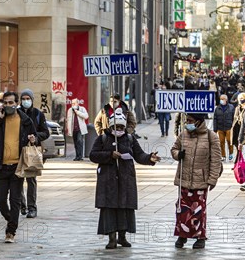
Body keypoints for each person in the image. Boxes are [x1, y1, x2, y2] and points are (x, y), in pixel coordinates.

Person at [89, 110, 160, 249]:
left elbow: (139, 155)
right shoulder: (103, 138)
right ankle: (111, 238)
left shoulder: (130, 138)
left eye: (122, 127)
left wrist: (149, 158)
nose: (119, 130)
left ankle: (122, 236)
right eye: (117, 127)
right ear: (111, 127)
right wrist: (110, 155)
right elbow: (93, 155)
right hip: (108, 180)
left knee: (124, 207)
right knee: (109, 208)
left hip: (125, 179)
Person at [0, 91, 37, 243]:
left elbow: (35, 136)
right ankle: (11, 220)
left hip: (17, 167)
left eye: (11, 103)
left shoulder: (24, 119)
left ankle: (11, 232)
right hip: (1, 166)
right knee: (0, 200)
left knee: (15, 200)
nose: (8, 105)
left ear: (16, 103)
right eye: (5, 103)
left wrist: (34, 138)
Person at [171, 113, 222, 249]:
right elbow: (174, 149)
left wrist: (212, 179)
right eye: (187, 120)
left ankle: (200, 237)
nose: (188, 123)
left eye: (191, 121)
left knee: (198, 210)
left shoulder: (211, 137)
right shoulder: (184, 135)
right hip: (184, 179)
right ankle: (182, 235)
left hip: (201, 180)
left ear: (199, 122)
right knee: (182, 210)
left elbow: (216, 160)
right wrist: (177, 154)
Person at [18, 89, 49, 219]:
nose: (26, 101)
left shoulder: (37, 114)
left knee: (31, 179)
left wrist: (35, 137)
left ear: (31, 99)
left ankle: (32, 207)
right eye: (23, 99)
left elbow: (45, 132)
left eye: (28, 98)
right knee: (17, 179)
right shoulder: (16, 113)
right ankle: (22, 205)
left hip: (31, 150)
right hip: (18, 150)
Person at [213, 94, 235, 161]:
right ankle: (223, 155)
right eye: (220, 99)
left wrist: (233, 126)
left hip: (229, 127)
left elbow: (234, 117)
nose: (221, 100)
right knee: (221, 142)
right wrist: (215, 129)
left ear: (226, 100)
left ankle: (231, 153)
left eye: (223, 99)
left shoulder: (231, 107)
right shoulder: (217, 108)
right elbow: (215, 119)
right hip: (220, 127)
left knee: (229, 141)